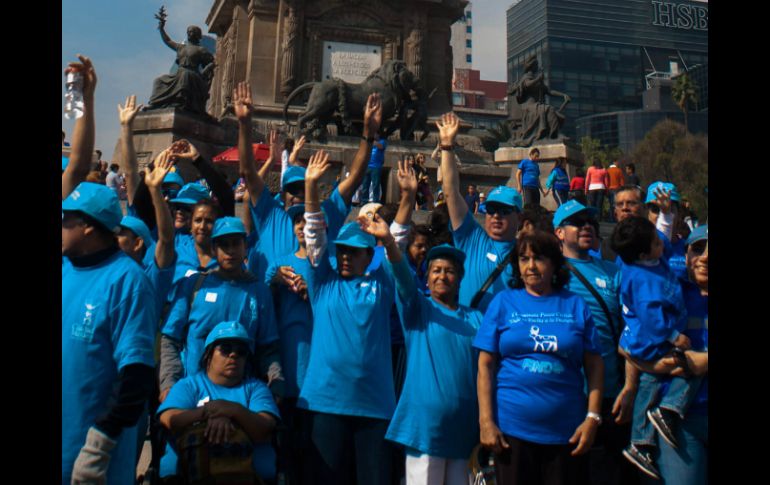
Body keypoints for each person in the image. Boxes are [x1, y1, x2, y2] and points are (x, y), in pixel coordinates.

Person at [474, 230, 604, 485]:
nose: (531, 266)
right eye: (524, 259)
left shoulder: (575, 305)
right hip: (512, 432)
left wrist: (592, 418)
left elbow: (595, 365)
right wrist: (486, 422)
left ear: (554, 264)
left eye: (539, 258)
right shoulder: (503, 302)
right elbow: (485, 366)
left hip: (567, 433)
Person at [300, 152, 397, 485]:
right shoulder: (323, 283)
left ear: (369, 256)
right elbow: (315, 235)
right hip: (325, 404)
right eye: (341, 250)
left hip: (374, 407)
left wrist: (407, 201)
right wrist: (311, 188)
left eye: (353, 251)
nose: (344, 256)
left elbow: (397, 247)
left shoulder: (382, 284)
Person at [233, 81, 381, 281]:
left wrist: (368, 135)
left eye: (303, 188)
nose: (299, 194)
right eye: (293, 189)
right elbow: (248, 173)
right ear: (283, 194)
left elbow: (354, 178)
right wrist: (244, 124)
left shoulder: (327, 214)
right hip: (270, 300)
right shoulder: (270, 214)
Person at [63, 182, 157, 485]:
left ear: (88, 227)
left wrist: (98, 447)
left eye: (66, 220)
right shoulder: (66, 269)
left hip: (89, 462)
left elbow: (135, 375)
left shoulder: (129, 281)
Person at [374, 232, 483, 484]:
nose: (442, 276)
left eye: (449, 271)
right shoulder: (417, 308)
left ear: (460, 278)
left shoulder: (476, 318)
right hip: (424, 430)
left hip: (464, 432)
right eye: (436, 270)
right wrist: (389, 242)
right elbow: (402, 275)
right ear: (426, 277)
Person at [553, 200, 641, 485]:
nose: (587, 227)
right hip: (563, 394)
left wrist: (630, 387)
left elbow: (632, 331)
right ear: (559, 232)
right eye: (577, 222)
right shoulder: (548, 273)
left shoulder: (614, 272)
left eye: (590, 221)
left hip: (610, 394)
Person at [609, 217, 701, 481]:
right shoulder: (643, 281)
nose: (661, 243)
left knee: (651, 381)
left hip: (654, 337)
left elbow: (666, 242)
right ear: (643, 253)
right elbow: (651, 319)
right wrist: (674, 337)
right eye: (655, 242)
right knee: (684, 367)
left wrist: (666, 218)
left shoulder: (652, 259)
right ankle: (666, 411)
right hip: (651, 340)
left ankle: (641, 440)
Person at [157, 321, 280, 482]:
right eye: (226, 349)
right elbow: (168, 418)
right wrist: (208, 412)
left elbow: (265, 428)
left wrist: (231, 410)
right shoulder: (188, 385)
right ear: (208, 355)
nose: (233, 355)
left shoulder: (256, 388)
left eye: (241, 351)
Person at [436, 112, 522, 312]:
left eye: (504, 211)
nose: (496, 216)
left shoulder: (527, 253)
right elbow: (450, 192)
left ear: (519, 217)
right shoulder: (472, 237)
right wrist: (447, 146)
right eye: (491, 210)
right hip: (471, 330)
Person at [147, 14, 215, 114]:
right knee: (159, 80)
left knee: (184, 75)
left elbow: (212, 63)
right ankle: (155, 103)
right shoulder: (181, 47)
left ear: (197, 35)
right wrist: (161, 28)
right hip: (179, 73)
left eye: (192, 32)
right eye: (188, 32)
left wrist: (205, 72)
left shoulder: (201, 50)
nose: (189, 33)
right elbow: (168, 40)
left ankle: (181, 102)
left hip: (192, 75)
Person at [507, 54, 571, 146]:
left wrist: (563, 95)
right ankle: (554, 135)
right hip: (529, 107)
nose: (537, 67)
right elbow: (528, 85)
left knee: (551, 111)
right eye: (536, 65)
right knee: (549, 109)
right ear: (532, 66)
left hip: (537, 106)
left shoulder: (536, 78)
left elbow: (549, 91)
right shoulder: (526, 77)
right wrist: (538, 79)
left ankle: (555, 134)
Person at [361, 133, 388, 203]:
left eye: (375, 133)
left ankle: (375, 201)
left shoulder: (382, 141)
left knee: (375, 185)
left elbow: (381, 146)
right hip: (367, 166)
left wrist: (371, 141)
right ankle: (364, 201)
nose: (373, 135)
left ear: (378, 135)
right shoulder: (369, 142)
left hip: (376, 167)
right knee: (365, 184)